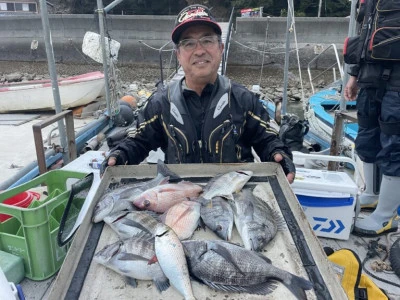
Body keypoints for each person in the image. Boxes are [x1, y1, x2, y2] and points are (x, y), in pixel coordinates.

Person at [101, 4, 295, 183]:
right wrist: (120, 155)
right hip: (180, 198)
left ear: (220, 48)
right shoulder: (160, 104)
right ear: (178, 54)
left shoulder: (243, 100)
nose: (199, 50)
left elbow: (267, 139)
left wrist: (279, 153)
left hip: (235, 194)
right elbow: (139, 141)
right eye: (189, 43)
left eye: (207, 40)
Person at [344, 0, 400, 236]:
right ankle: (373, 195)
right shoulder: (368, 3)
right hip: (369, 78)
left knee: (394, 144)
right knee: (367, 135)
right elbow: (364, 36)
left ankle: (386, 215)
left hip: (397, 83)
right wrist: (354, 76)